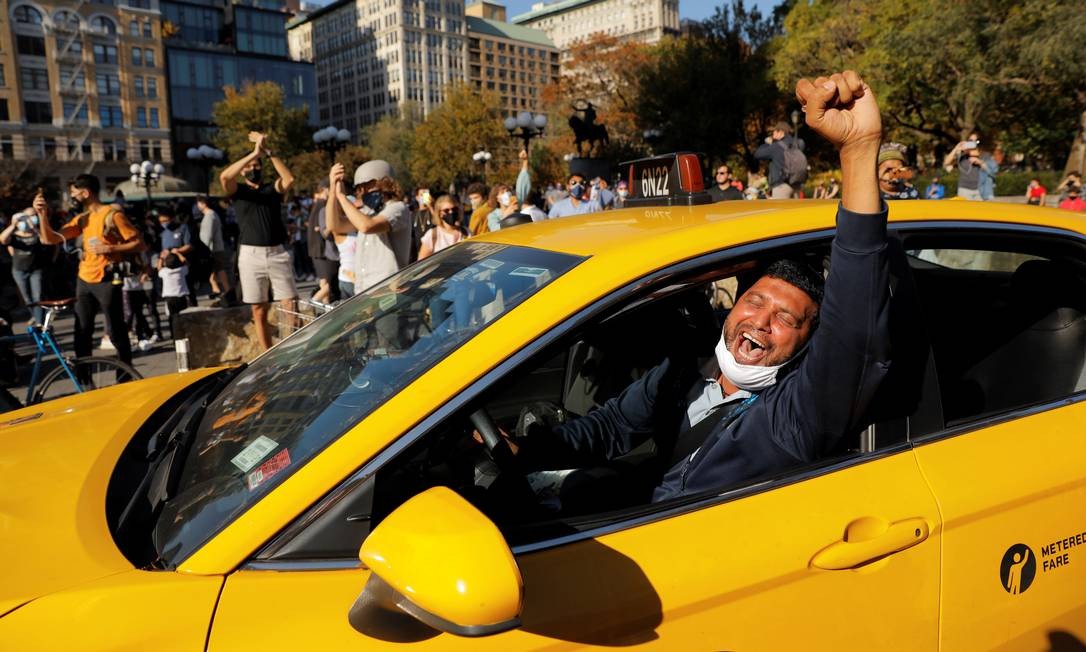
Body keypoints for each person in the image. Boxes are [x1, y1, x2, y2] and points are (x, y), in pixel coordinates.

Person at [503, 70, 890, 503]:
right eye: (755, 301)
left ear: (806, 343)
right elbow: (612, 427)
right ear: (735, 302)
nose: (760, 322)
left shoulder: (792, 417)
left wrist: (858, 152)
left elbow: (854, 326)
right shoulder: (686, 369)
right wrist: (524, 452)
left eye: (785, 318)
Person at [38, 175, 145, 367]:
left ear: (86, 193)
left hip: (107, 278)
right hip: (84, 280)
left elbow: (139, 244)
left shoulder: (112, 215)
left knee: (115, 330)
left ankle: (125, 375)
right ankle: (85, 379)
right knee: (82, 330)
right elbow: (50, 239)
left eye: (74, 193)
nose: (72, 197)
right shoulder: (82, 219)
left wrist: (110, 249)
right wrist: (42, 215)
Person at [219, 130, 298, 351]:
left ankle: (291, 347)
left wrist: (268, 152)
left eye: (257, 165)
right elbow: (225, 177)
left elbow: (289, 179)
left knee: (289, 304)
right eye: (250, 167)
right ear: (243, 170)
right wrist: (253, 153)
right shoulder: (239, 192)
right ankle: (267, 353)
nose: (254, 169)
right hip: (250, 255)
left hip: (277, 252)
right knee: (258, 308)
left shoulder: (271, 189)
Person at [326, 159, 411, 292]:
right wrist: (333, 190)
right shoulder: (367, 212)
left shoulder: (398, 208)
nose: (363, 192)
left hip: (390, 290)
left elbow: (367, 226)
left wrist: (342, 197)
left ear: (386, 183)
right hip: (364, 290)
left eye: (368, 186)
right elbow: (334, 226)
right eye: (360, 188)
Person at [0, 207, 50, 326]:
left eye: (33, 216)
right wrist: (13, 225)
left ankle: (39, 323)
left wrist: (34, 228)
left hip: (36, 270)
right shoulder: (16, 235)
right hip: (19, 270)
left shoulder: (37, 233)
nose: (30, 219)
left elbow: (45, 240)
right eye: (27, 217)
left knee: (37, 296)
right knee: (26, 298)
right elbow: (2, 239)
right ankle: (35, 315)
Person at [196, 195, 234, 306]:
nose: (197, 205)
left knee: (219, 269)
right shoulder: (213, 215)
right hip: (216, 247)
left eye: (198, 203)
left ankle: (226, 291)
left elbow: (206, 236)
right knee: (217, 270)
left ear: (203, 204)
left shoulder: (209, 216)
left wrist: (203, 250)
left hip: (213, 249)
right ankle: (221, 290)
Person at [755, 121, 807, 199]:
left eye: (774, 132)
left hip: (781, 186)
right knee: (795, 211)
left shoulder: (776, 146)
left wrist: (768, 143)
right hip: (797, 185)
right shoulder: (798, 144)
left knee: (780, 210)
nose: (773, 135)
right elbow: (802, 143)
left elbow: (758, 154)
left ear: (781, 132)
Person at [306, 180, 339, 304]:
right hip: (322, 250)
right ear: (325, 189)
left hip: (316, 249)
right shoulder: (322, 205)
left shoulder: (317, 204)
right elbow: (320, 229)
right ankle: (314, 302)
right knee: (329, 283)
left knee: (324, 281)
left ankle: (324, 307)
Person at [418, 194, 467, 260]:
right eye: (446, 210)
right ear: (439, 213)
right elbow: (422, 262)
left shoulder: (466, 232)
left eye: (454, 209)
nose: (451, 212)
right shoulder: (432, 235)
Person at [157, 251, 189, 340]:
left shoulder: (164, 272)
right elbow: (186, 263)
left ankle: (174, 336)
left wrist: (161, 258)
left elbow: (158, 269)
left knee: (172, 318)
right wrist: (178, 253)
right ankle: (184, 334)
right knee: (183, 317)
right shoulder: (181, 270)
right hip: (181, 297)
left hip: (169, 299)